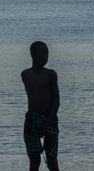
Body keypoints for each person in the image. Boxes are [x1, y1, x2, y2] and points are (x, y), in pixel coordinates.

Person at [22, 41, 60, 171]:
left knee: (52, 160)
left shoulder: (51, 74)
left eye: (47, 54)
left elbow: (56, 101)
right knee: (34, 160)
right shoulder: (25, 74)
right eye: (43, 54)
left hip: (49, 119)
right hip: (32, 121)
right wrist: (34, 122)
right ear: (33, 55)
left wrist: (48, 123)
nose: (46, 56)